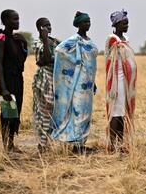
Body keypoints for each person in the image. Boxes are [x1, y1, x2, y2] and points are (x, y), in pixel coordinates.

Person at [51, 11, 98, 154]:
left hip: (88, 83)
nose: (88, 24)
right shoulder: (74, 39)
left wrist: (93, 81)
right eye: (85, 22)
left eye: (89, 21)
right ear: (78, 24)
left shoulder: (88, 40)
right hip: (78, 82)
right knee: (78, 112)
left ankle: (81, 142)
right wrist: (75, 63)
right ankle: (77, 146)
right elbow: (59, 50)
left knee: (86, 113)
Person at [0, 9, 28, 152]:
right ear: (5, 21)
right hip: (7, 80)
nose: (17, 22)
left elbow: (21, 60)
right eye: (14, 19)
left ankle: (11, 143)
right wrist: (3, 88)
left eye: (18, 19)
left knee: (16, 111)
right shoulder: (1, 37)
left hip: (18, 79)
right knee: (8, 113)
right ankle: (6, 146)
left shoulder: (16, 39)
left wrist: (24, 43)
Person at [105, 9, 137, 153]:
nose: (127, 26)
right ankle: (113, 144)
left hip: (126, 82)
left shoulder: (125, 39)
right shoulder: (112, 39)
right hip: (116, 82)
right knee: (115, 112)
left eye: (127, 23)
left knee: (123, 112)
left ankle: (121, 142)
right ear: (116, 24)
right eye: (124, 23)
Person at [32, 17, 59, 153]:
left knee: (54, 112)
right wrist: (44, 39)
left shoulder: (54, 42)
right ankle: (42, 145)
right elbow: (46, 59)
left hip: (55, 79)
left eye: (49, 25)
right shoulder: (38, 42)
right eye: (45, 26)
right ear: (39, 28)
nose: (49, 28)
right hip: (44, 80)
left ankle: (49, 143)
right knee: (43, 113)